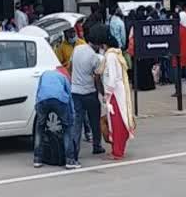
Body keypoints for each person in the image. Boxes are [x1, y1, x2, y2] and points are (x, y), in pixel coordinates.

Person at [98, 33, 136, 160]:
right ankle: (118, 149)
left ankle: (117, 151)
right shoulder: (117, 55)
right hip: (119, 90)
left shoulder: (110, 56)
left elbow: (112, 76)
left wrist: (107, 94)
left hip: (114, 92)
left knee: (116, 122)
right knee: (120, 119)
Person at [70, 26, 105, 159]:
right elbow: (97, 78)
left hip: (75, 92)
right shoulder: (94, 57)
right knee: (94, 120)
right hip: (89, 92)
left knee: (77, 123)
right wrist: (102, 92)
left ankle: (73, 151)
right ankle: (97, 145)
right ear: (97, 44)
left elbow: (71, 67)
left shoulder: (77, 48)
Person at [33, 69, 77, 169]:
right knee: (67, 128)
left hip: (42, 100)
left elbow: (39, 90)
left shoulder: (44, 74)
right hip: (59, 100)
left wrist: (37, 106)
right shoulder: (64, 77)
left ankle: (37, 159)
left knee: (39, 129)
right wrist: (72, 115)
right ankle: (70, 161)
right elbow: (69, 97)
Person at [172, 11, 186, 97]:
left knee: (177, 75)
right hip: (185, 54)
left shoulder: (173, 30)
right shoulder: (185, 29)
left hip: (176, 55)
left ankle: (178, 91)